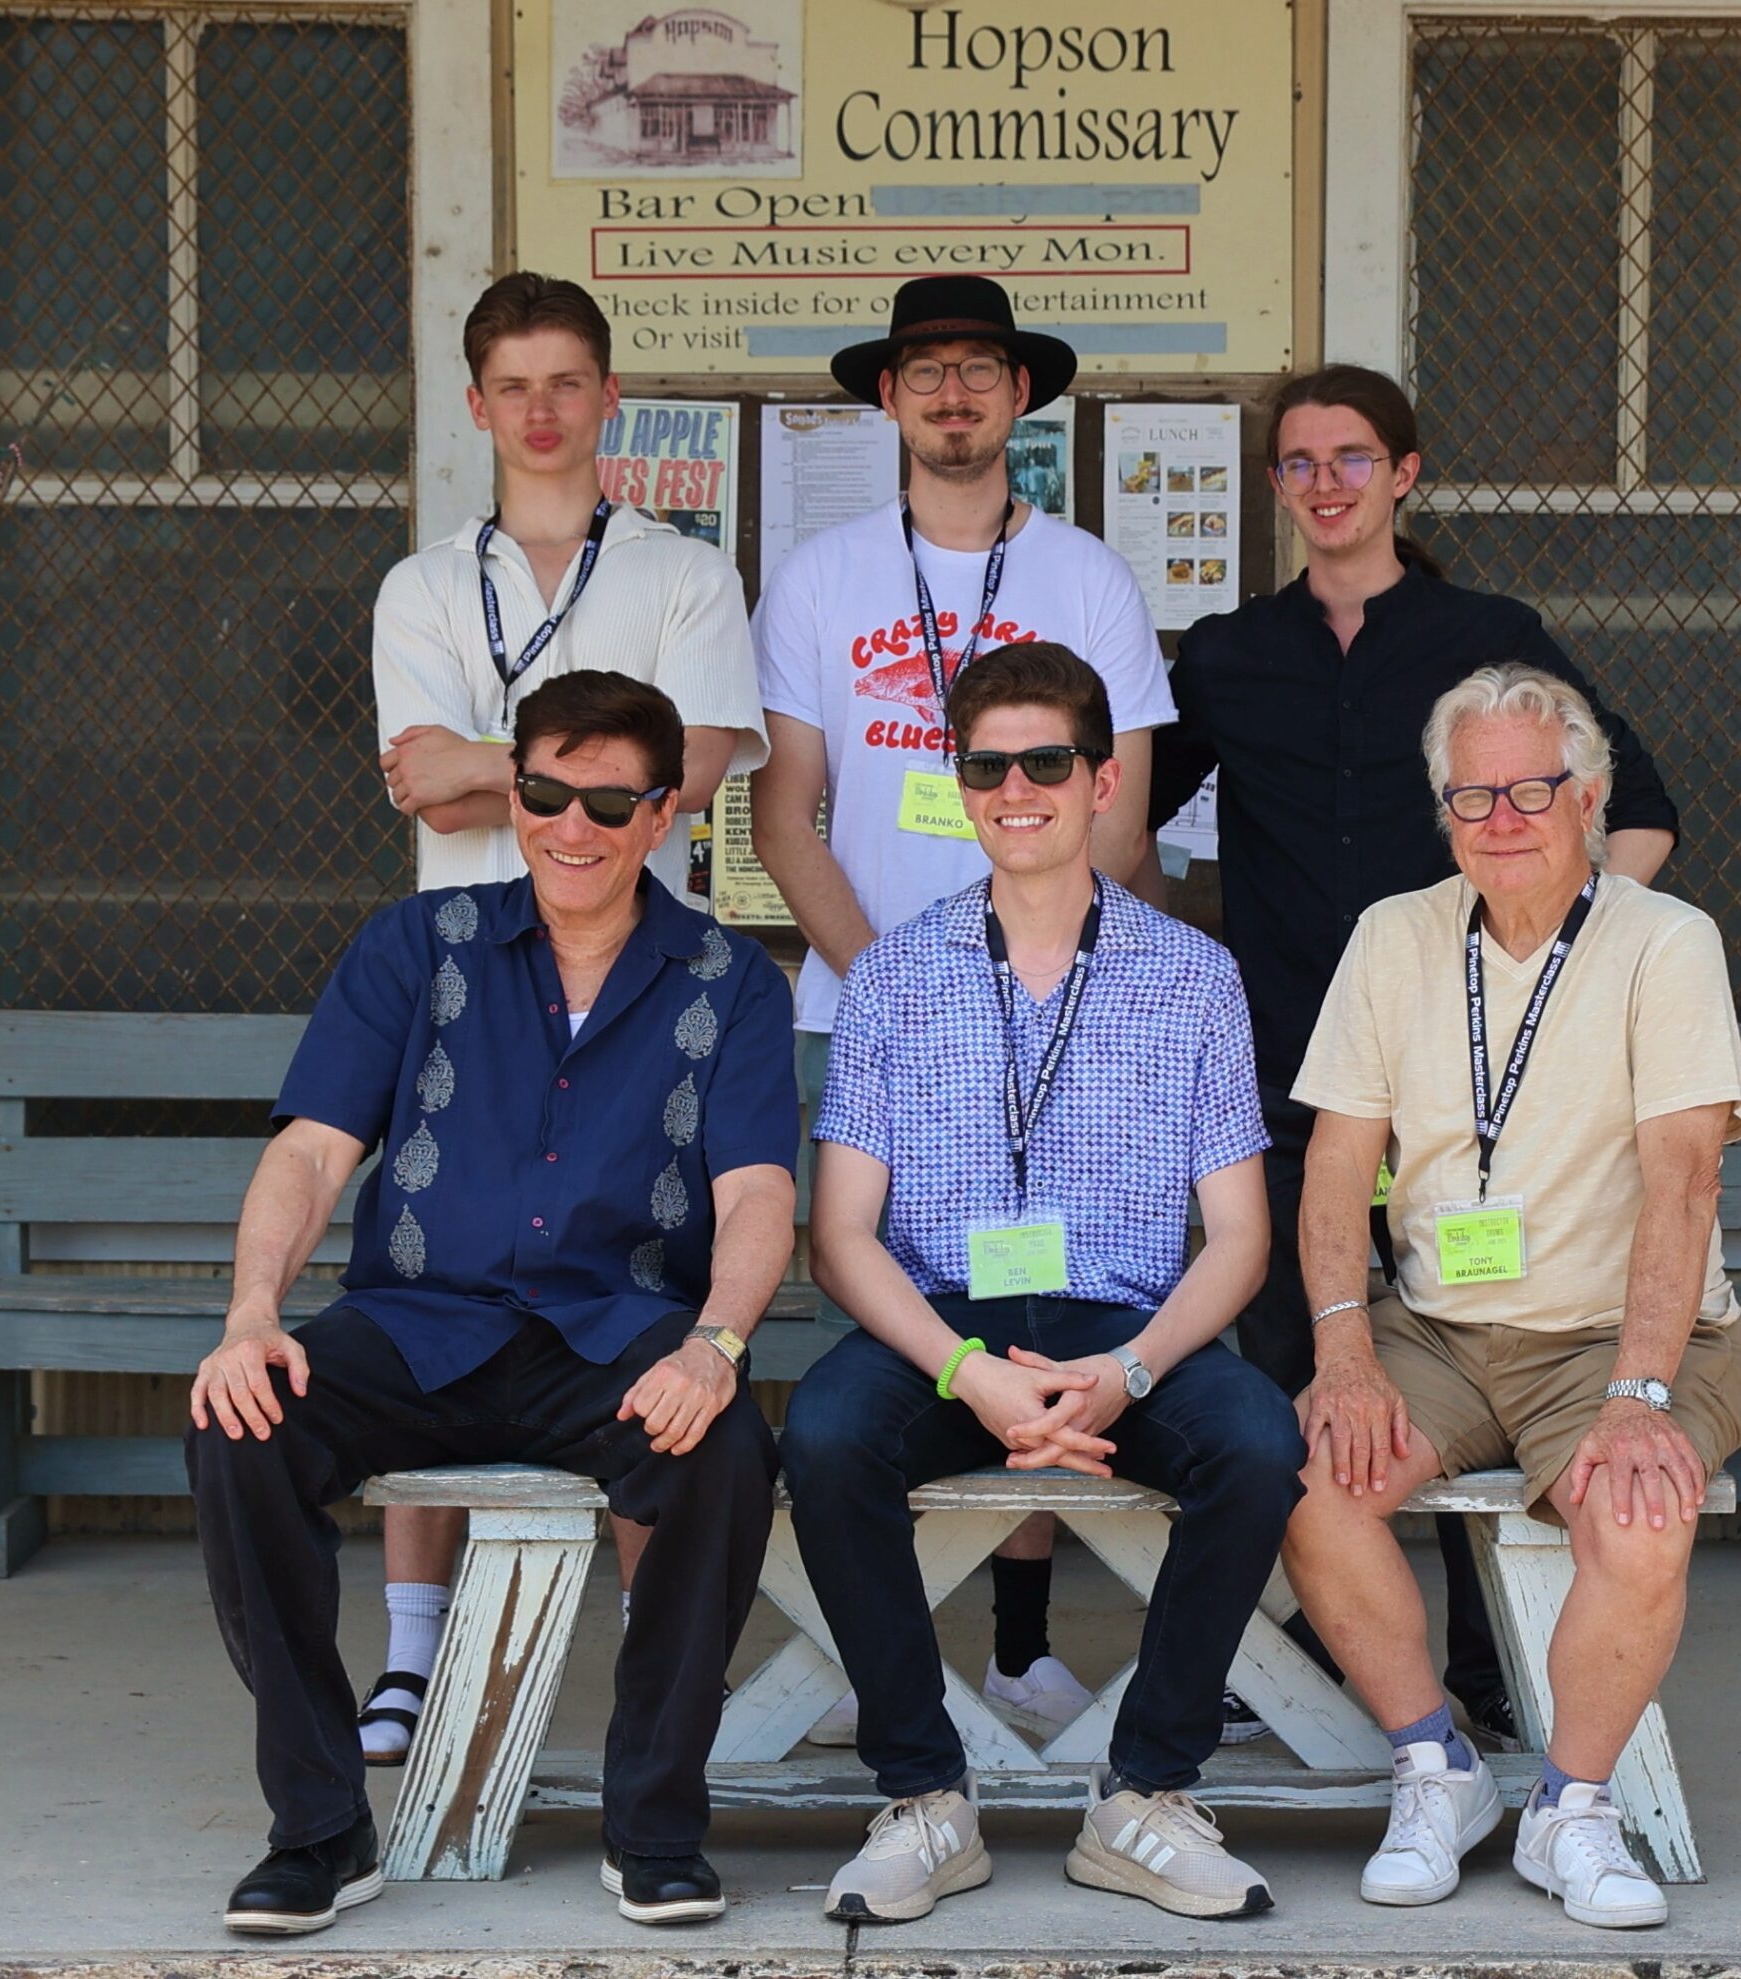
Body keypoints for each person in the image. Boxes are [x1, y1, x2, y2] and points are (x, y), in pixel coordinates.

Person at [186, 672, 797, 1935]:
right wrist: (253, 1314)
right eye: (545, 791)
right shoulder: (416, 942)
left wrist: (715, 1345)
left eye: (609, 799)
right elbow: (310, 1151)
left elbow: (753, 1194)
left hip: (616, 1339)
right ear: (513, 791)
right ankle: (317, 1824)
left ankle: (654, 1825)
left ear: (663, 810)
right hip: (418, 1326)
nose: (572, 825)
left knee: (723, 1445)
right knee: (241, 1424)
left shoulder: (730, 977)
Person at [1148, 364, 1683, 1747]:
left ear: (1406, 473)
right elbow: (1115, 828)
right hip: (1280, 1064)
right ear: (1275, 487)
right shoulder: (1223, 653)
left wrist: (1553, 975)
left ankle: (1488, 1670)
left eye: (1352, 457)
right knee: (1293, 1368)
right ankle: (1287, 1649)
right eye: (1300, 462)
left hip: (1459, 1078)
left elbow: (1640, 810)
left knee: (1456, 1337)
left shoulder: (1483, 634)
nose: (1325, 483)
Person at [781, 643, 1305, 1925]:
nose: (1014, 788)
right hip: (940, 1328)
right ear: (959, 784)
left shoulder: (1192, 973)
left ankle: (1141, 1797)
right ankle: (923, 1798)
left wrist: (1125, 1372)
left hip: (1122, 1329)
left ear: (1103, 779)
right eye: (985, 765)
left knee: (1253, 1441)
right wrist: (965, 1373)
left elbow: (1236, 1235)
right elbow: (841, 1232)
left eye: (1045, 761)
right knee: (826, 1433)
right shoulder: (894, 973)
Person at [752, 275, 1175, 1742]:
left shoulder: (1087, 581)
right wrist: (903, 993)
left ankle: (1017, 1640)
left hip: (1062, 1007)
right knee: (888, 1325)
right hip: (864, 998)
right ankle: (873, 1654)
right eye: (923, 370)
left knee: (1040, 1293)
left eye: (977, 369)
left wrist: (1042, 976)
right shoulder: (818, 578)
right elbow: (786, 816)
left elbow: (1121, 824)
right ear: (885, 400)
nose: (949, 394)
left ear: (1019, 396)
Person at [1281, 663, 1741, 1928]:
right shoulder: (1392, 935)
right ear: (1441, 809)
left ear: (1589, 797)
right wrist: (1342, 1348)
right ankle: (1434, 1766)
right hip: (1440, 1327)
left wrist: (1640, 1391)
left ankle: (1570, 1805)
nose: (1501, 817)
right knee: (1312, 1481)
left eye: (1531, 789)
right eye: (1471, 794)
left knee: (1640, 1509)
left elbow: (1683, 1180)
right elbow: (1335, 1168)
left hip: (1626, 1328)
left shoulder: (1666, 942)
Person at [362, 271, 769, 1763]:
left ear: (610, 397)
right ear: (478, 405)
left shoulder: (681, 572)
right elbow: (416, 777)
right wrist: (571, 769)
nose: (541, 407)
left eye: (566, 380)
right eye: (512, 383)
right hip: (469, 968)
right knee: (433, 1273)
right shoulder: (421, 583)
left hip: (632, 974)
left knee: (637, 1292)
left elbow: (708, 751)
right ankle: (409, 1653)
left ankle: (663, 1671)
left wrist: (504, 768)